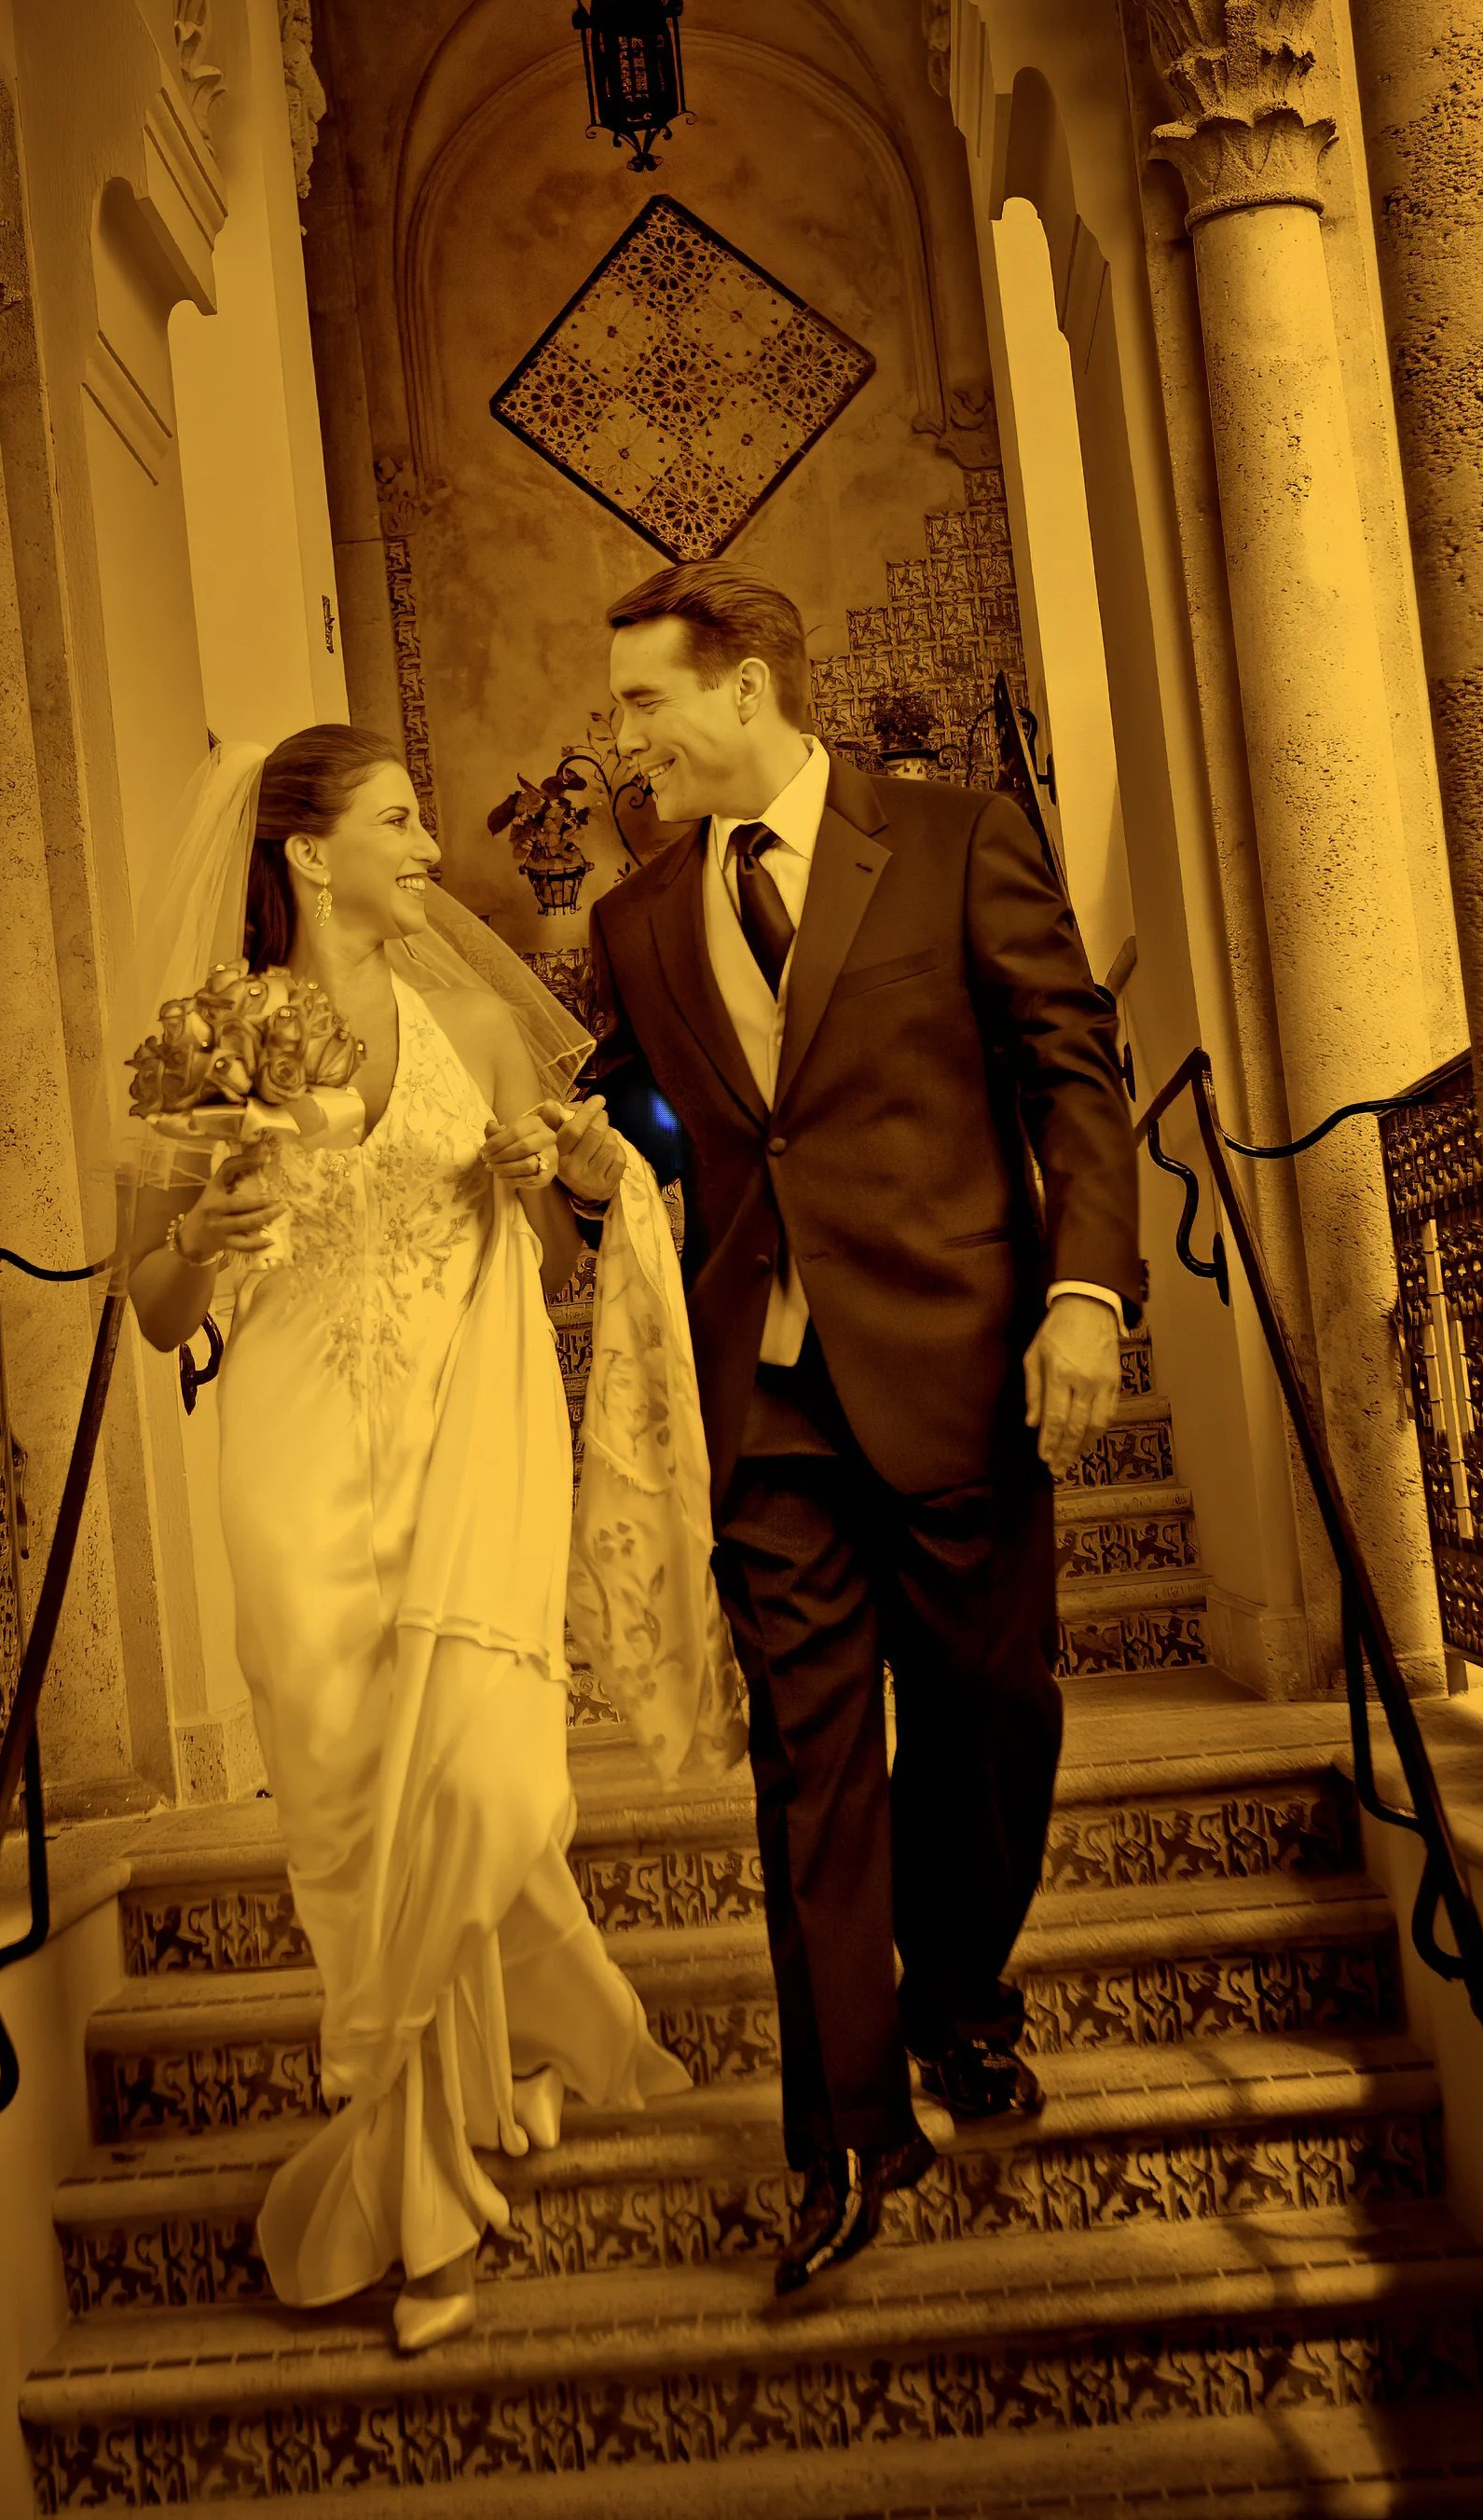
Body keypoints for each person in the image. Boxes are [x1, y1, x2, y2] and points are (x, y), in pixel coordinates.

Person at [551, 564, 1144, 2300]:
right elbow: (669, 1121)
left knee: (985, 1725)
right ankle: (844, 2133)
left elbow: (1072, 1071)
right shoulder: (638, 921)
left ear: (743, 690)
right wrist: (591, 1160)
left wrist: (1085, 1296)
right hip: (770, 1399)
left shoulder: (953, 838)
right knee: (811, 1770)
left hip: (962, 1362)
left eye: (645, 703)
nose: (623, 738)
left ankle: (962, 1990)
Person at [129, 724, 687, 2356]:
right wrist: (200, 1229)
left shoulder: (469, 1022)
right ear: (308, 852)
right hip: (295, 1470)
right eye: (397, 818)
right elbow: (155, 1312)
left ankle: (483, 2082)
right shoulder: (220, 1034)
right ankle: (424, 2188)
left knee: (493, 1787)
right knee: (348, 1817)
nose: (432, 846)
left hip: (467, 1447)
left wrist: (576, 1168)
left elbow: (561, 1255)